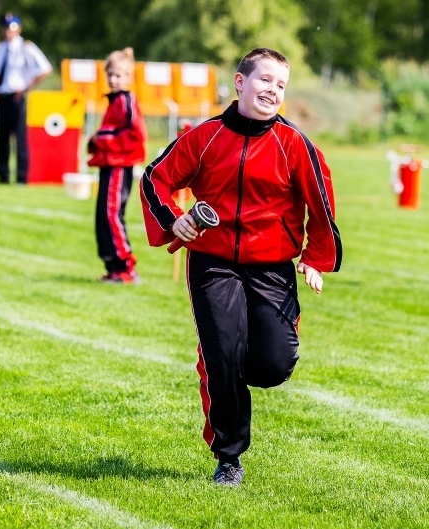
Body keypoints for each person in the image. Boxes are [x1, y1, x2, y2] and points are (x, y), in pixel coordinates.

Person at [140, 48, 342, 487]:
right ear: (239, 81)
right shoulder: (205, 136)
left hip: (271, 269)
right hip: (212, 265)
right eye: (265, 80)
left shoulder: (295, 145)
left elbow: (321, 203)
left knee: (272, 364)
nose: (272, 90)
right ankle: (228, 457)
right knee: (222, 355)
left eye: (281, 85)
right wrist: (174, 219)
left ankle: (235, 359)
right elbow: (154, 177)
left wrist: (315, 257)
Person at [88, 47, 148, 284]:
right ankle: (113, 266)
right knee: (102, 215)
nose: (114, 79)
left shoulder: (127, 100)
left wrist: (102, 139)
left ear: (129, 77)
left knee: (112, 214)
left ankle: (126, 266)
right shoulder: (114, 102)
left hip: (119, 166)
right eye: (111, 74)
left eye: (119, 75)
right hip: (108, 164)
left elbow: (134, 133)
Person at [0, 13, 52, 184]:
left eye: (12, 28)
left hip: (17, 97)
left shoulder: (26, 47)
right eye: (6, 28)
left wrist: (26, 87)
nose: (9, 32)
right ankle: (3, 176)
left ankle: (22, 177)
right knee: (3, 138)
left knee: (20, 138)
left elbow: (45, 69)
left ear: (18, 29)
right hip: (3, 96)